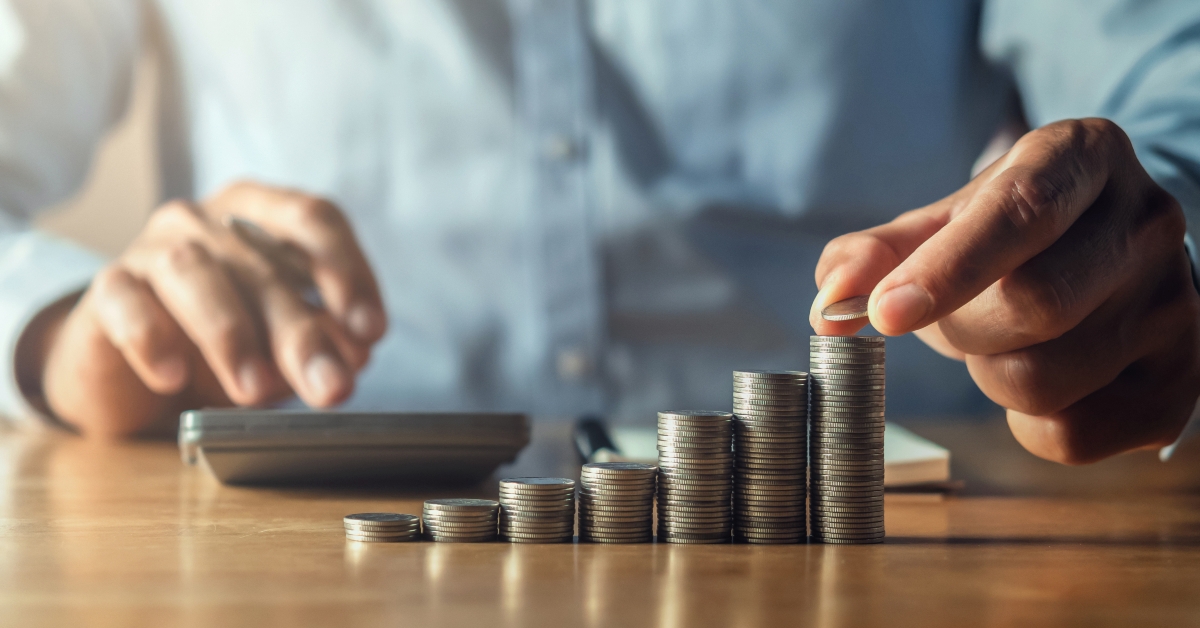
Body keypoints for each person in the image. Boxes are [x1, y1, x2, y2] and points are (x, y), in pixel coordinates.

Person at [2, 1, 1199, 464]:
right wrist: (61, 332)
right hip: (331, 563)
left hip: (913, 546)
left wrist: (1151, 252)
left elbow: (1167, 75)